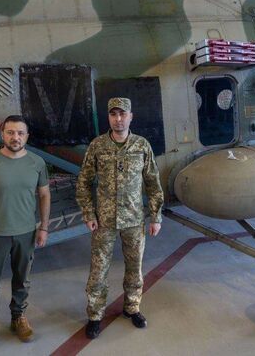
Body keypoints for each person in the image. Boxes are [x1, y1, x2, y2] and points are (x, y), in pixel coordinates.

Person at [76, 97, 164, 340]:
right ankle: (95, 315)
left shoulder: (142, 145)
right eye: (113, 114)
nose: (118, 119)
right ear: (108, 117)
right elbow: (83, 181)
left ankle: (132, 308)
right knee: (98, 271)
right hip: (104, 221)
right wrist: (88, 213)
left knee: (135, 268)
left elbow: (153, 182)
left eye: (122, 114)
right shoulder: (97, 146)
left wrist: (156, 216)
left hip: (134, 220)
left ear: (130, 117)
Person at [0, 115, 50, 356]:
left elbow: (44, 195)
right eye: (11, 132)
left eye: (20, 133)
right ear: (2, 134)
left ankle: (18, 317)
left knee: (22, 280)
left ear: (27, 136)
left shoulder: (37, 163)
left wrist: (44, 227)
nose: (16, 137)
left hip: (26, 233)